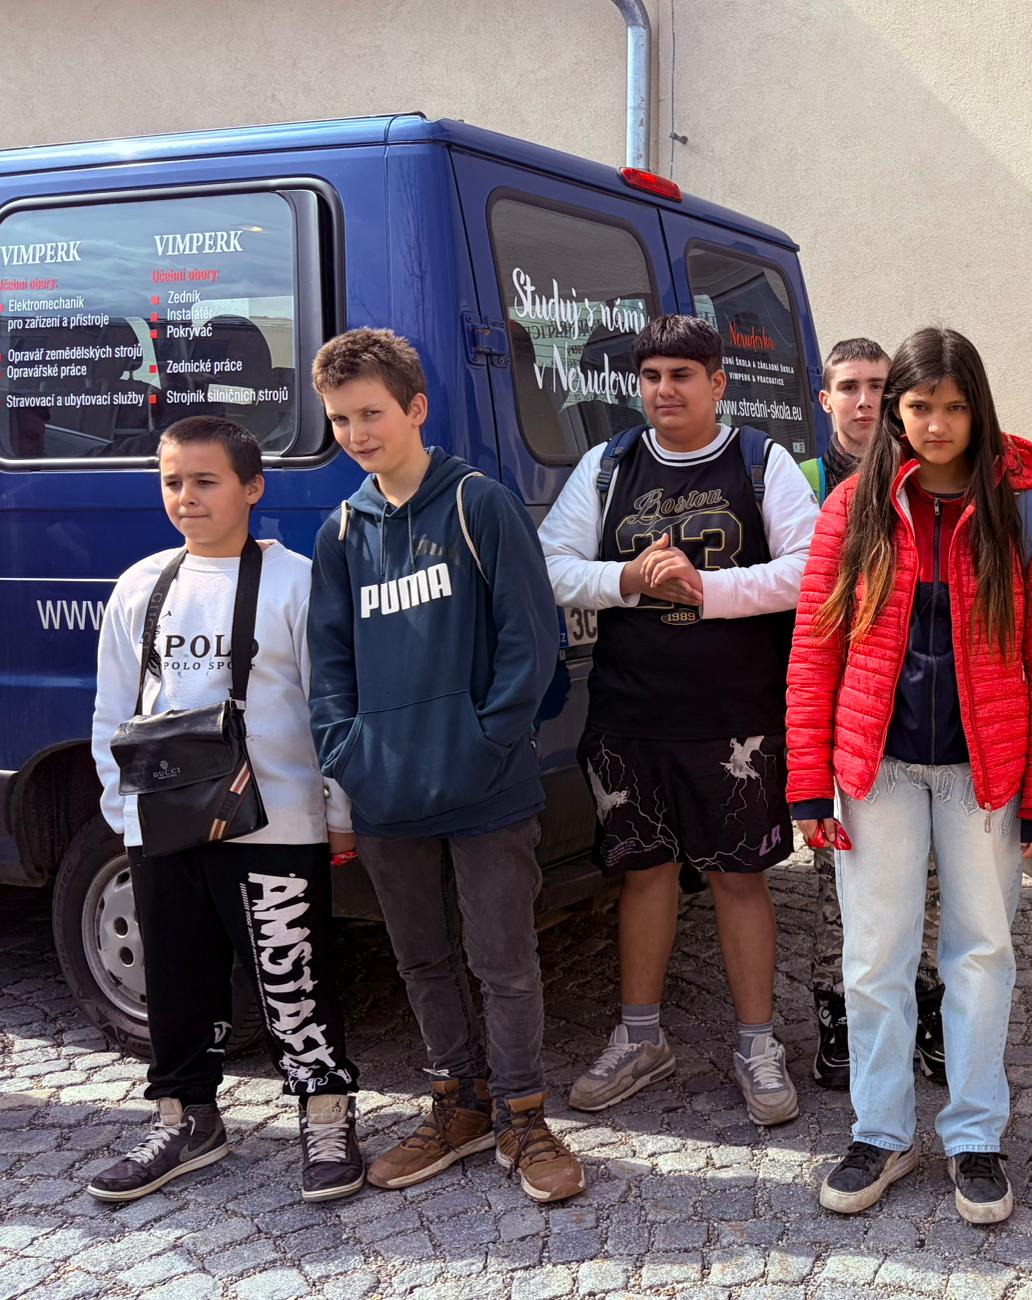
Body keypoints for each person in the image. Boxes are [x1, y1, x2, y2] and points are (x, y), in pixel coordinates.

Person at [788, 326, 1032, 1225]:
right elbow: (815, 649)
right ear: (895, 412)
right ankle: (880, 1130)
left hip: (983, 774)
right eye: (920, 406)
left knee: (982, 954)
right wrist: (807, 781)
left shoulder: (1022, 514)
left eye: (954, 406)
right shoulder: (854, 507)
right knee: (875, 957)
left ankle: (975, 1134)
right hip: (874, 770)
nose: (937, 423)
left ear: (978, 408)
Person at [307, 328, 583, 1204]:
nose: (357, 433)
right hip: (388, 794)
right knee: (422, 962)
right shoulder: (342, 531)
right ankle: (456, 1106)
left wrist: (484, 742)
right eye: (340, 419)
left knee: (504, 961)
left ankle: (523, 1115)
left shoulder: (479, 505)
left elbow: (529, 644)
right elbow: (328, 666)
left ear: (416, 408)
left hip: (487, 789)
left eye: (371, 414)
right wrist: (350, 756)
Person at [540, 314, 818, 1127]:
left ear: (717, 383)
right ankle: (640, 1038)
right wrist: (626, 578)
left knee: (739, 878)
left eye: (683, 375)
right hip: (630, 714)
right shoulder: (607, 465)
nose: (665, 390)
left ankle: (757, 1045)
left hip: (737, 718)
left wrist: (708, 589)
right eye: (652, 376)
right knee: (644, 873)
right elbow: (550, 565)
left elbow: (811, 567)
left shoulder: (760, 461)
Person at [87, 416, 363, 1203]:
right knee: (176, 978)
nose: (187, 497)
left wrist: (338, 812)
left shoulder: (296, 582)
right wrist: (124, 810)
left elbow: (330, 708)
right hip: (163, 824)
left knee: (292, 976)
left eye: (205, 481)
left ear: (253, 488)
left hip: (277, 822)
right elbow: (115, 709)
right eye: (173, 482)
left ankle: (326, 1111)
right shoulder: (140, 585)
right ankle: (186, 1117)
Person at [800, 336, 946, 1091]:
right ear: (825, 398)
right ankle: (838, 1015)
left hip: (919, 722)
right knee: (840, 881)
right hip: (839, 715)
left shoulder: (930, 478)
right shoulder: (804, 482)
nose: (865, 401)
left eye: (878, 386)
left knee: (929, 881)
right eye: (849, 386)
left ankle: (927, 1007)